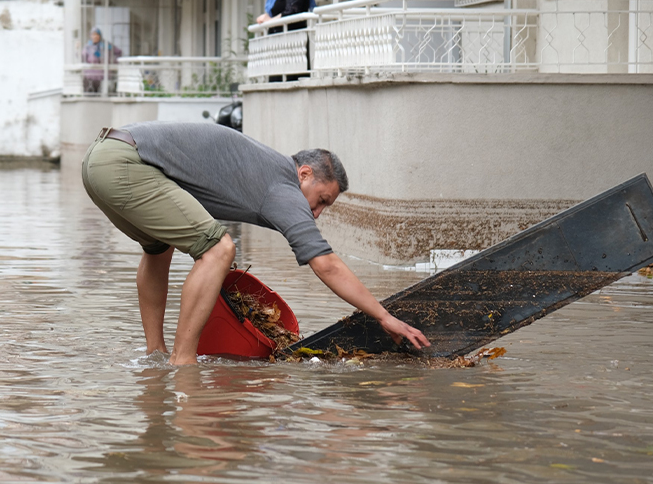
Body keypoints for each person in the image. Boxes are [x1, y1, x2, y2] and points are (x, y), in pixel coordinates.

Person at [81, 122, 431, 365]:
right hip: (125, 165)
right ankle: (182, 362)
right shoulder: (283, 185)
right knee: (220, 249)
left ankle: (154, 356)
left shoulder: (265, 166)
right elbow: (326, 263)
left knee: (159, 246)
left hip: (100, 159)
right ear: (305, 173)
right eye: (322, 200)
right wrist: (385, 318)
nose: (318, 212)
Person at [81, 27, 122, 94]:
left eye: (97, 35)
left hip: (103, 73)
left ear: (100, 36)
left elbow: (119, 52)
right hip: (90, 74)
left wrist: (112, 61)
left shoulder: (106, 45)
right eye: (93, 35)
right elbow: (82, 57)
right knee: (89, 93)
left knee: (102, 93)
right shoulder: (88, 46)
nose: (95, 36)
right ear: (90, 36)